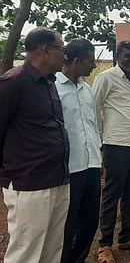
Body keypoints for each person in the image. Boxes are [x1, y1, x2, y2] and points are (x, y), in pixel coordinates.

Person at [0, 26, 70, 263]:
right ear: (45, 50)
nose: (65, 55)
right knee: (26, 252)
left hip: (57, 178)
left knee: (52, 250)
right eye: (62, 49)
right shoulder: (13, 82)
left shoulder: (49, 83)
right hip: (28, 182)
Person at [93, 41, 130, 263]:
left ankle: (127, 237)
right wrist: (99, 145)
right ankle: (105, 244)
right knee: (111, 196)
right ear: (118, 55)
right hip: (116, 144)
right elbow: (95, 110)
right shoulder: (106, 78)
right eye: (127, 56)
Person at [56, 38, 102, 263]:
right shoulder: (53, 88)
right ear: (76, 61)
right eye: (90, 61)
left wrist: (99, 157)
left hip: (91, 164)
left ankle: (79, 259)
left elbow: (93, 126)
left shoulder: (87, 89)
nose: (93, 66)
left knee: (90, 220)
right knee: (67, 224)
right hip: (68, 168)